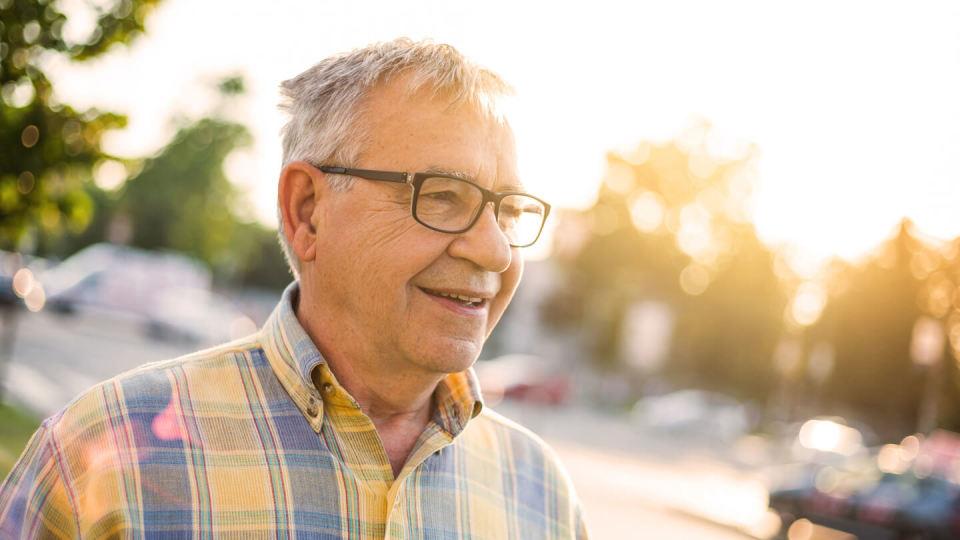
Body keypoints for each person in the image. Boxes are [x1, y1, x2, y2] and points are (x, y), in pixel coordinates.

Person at [0, 39, 587, 538]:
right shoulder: (100, 458)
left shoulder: (541, 494)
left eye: (508, 211)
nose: (495, 251)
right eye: (441, 195)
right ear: (307, 211)